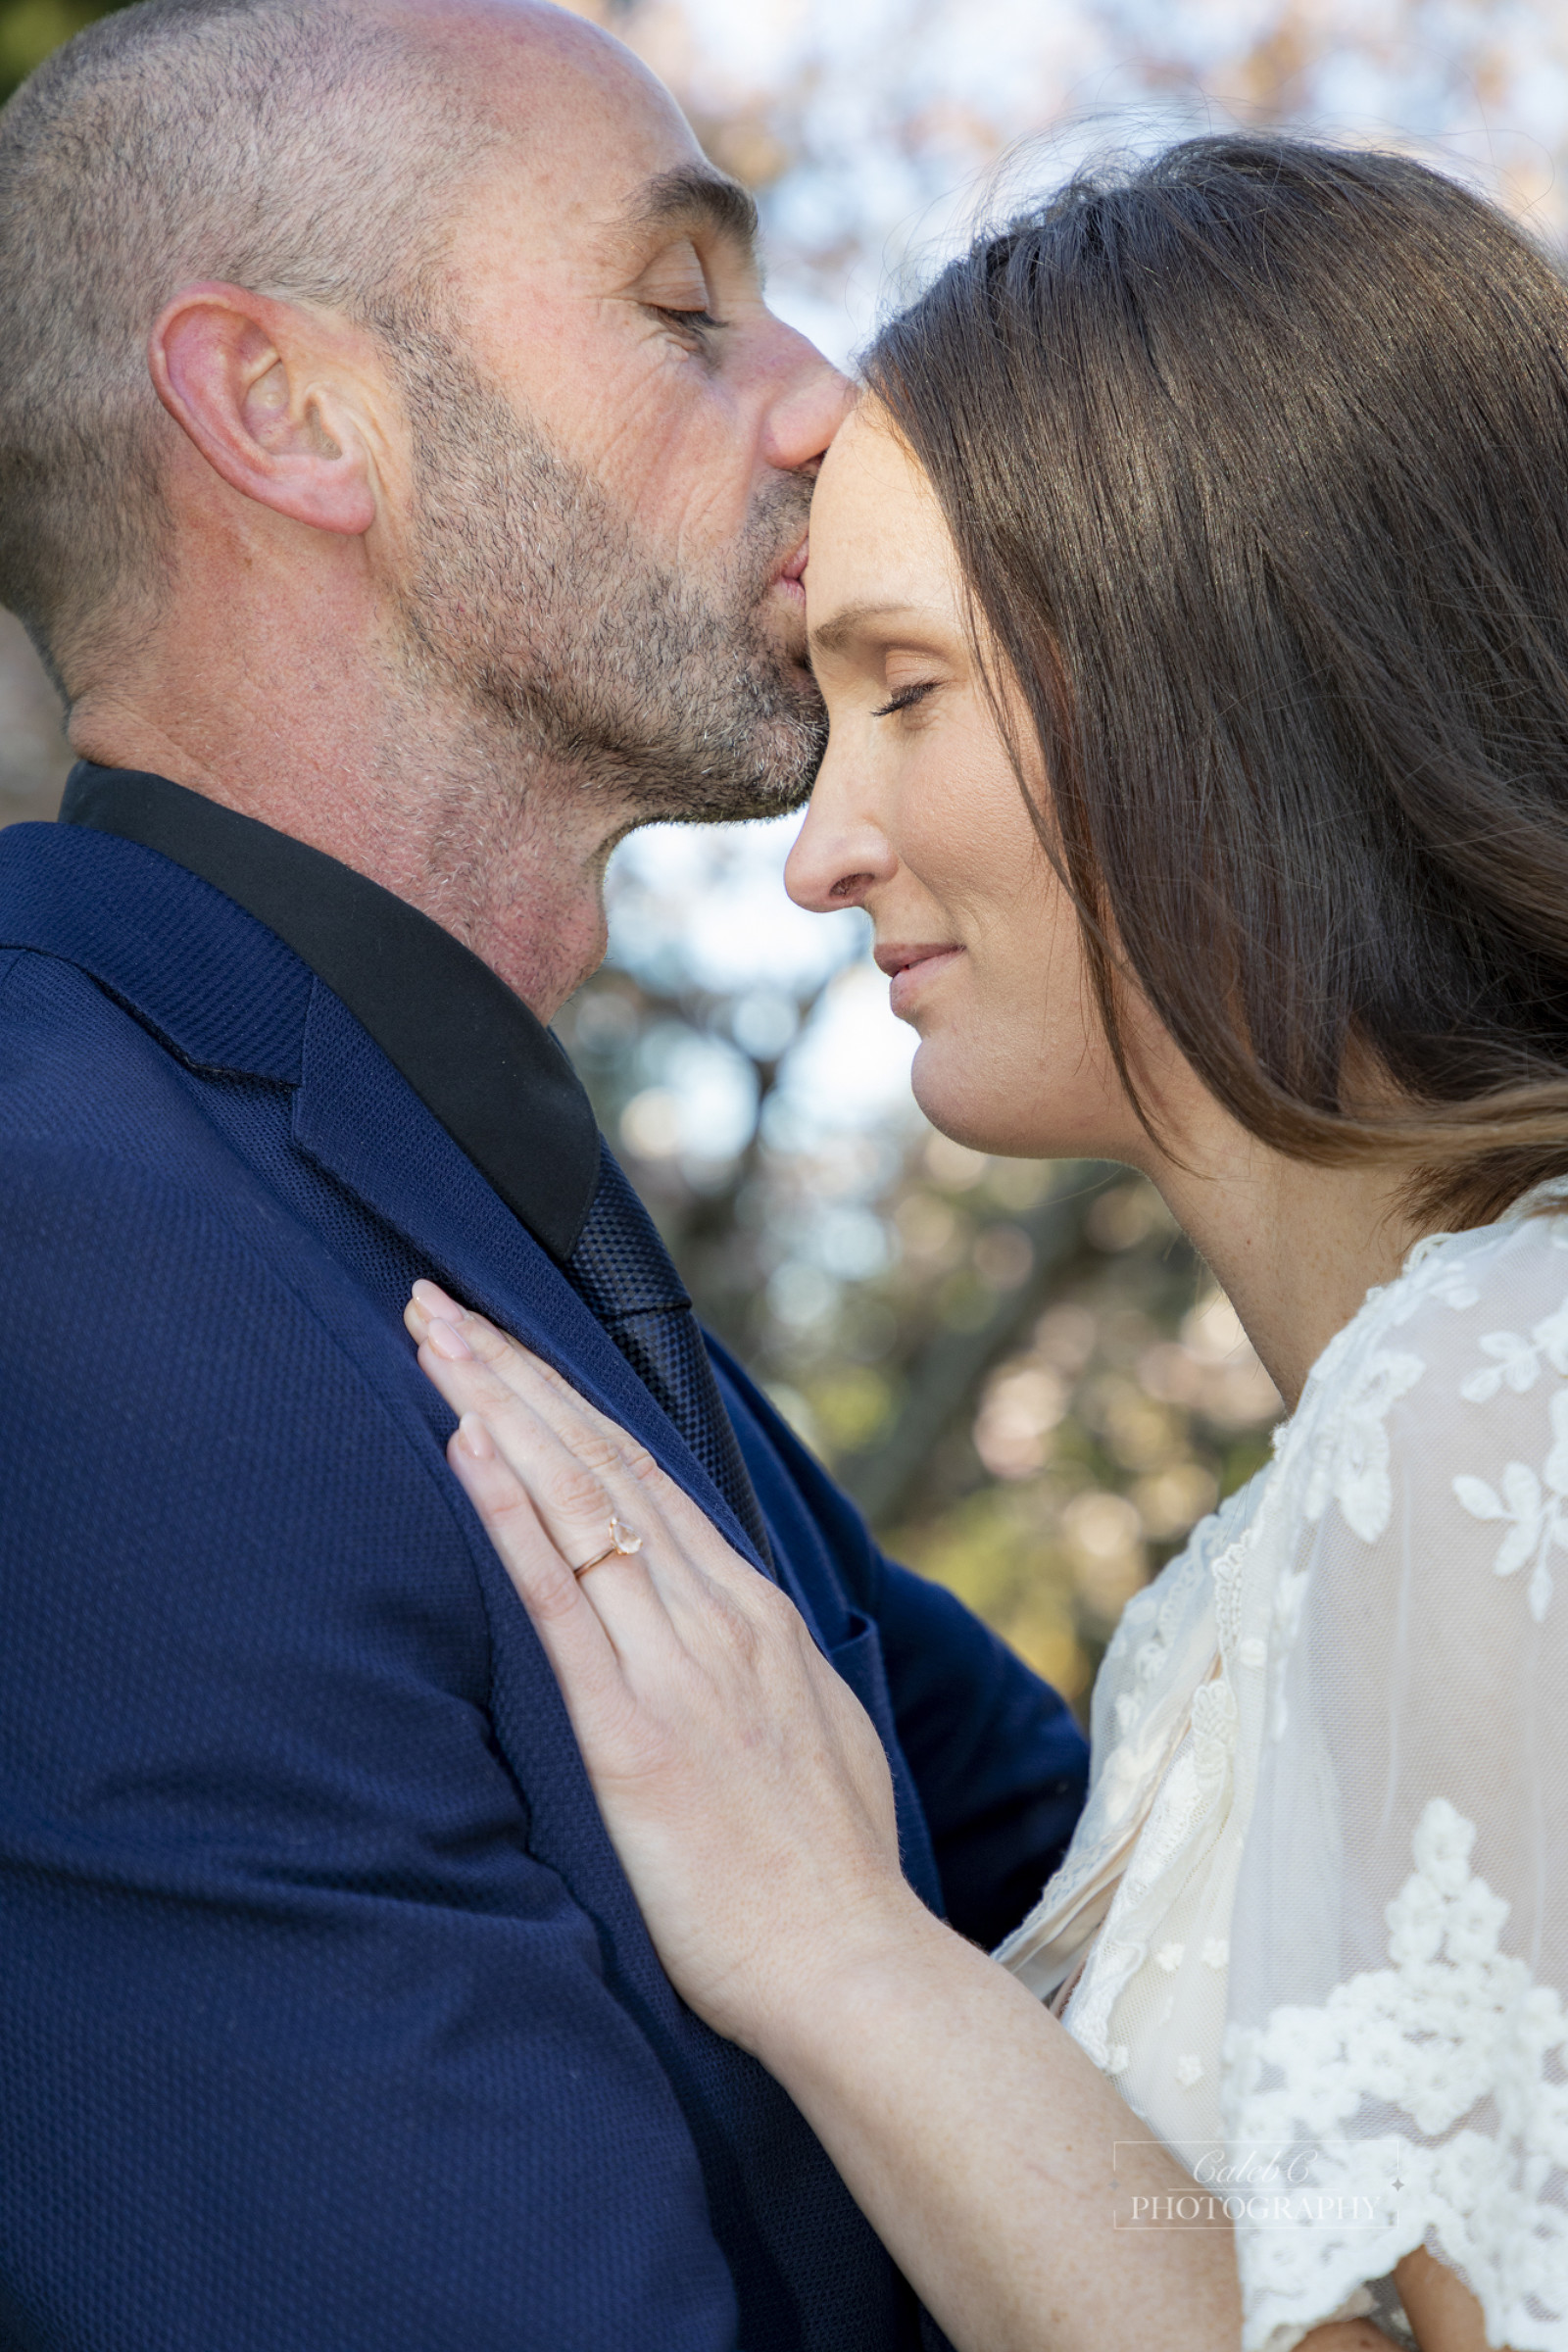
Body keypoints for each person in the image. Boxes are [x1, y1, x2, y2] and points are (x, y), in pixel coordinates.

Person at [408, 136, 1568, 2352]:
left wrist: (833, 1946)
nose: (820, 851)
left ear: (1231, 664)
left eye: (909, 688)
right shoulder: (1288, 1538)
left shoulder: (1497, 1399)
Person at [0, 3, 1090, 2346]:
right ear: (284, 411)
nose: (818, 402)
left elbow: (1118, 1870)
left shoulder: (490, 1212)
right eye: (684, 307)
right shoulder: (59, 1230)